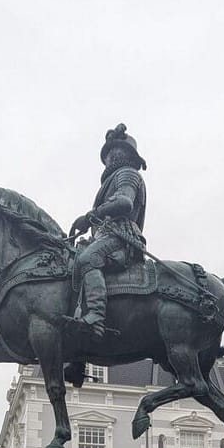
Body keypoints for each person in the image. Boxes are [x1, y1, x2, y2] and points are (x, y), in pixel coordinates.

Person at [65, 123, 147, 340]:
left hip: (122, 236)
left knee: (88, 259)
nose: (109, 157)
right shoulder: (114, 177)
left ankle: (96, 318)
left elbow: (124, 202)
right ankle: (79, 357)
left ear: (125, 154)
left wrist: (90, 216)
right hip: (105, 235)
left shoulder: (128, 174)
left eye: (113, 152)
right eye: (108, 153)